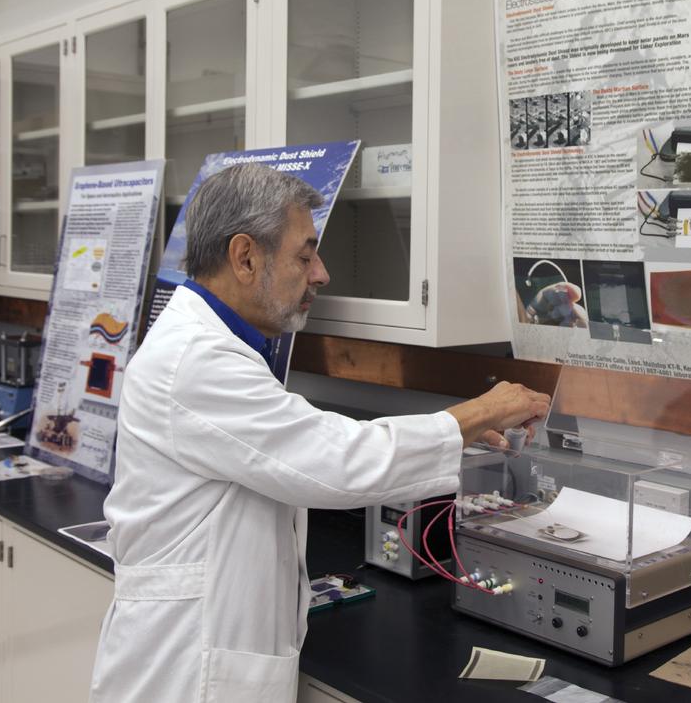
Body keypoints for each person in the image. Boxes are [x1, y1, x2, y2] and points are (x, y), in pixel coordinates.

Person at [89, 164, 550, 702]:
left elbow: (306, 445)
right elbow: (334, 461)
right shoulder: (196, 359)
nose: (321, 273)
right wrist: (475, 414)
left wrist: (462, 433)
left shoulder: (212, 344)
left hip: (203, 645)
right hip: (185, 671)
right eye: (304, 255)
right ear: (245, 258)